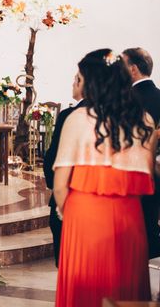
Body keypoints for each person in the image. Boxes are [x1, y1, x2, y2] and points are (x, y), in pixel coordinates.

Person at [54, 49, 157, 306]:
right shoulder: (143, 120)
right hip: (129, 216)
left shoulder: (78, 119)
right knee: (125, 285)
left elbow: (60, 185)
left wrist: (68, 212)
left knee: (85, 286)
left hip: (84, 215)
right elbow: (147, 172)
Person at [43, 71, 85, 267]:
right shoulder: (115, 115)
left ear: (83, 84)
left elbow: (53, 156)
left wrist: (53, 184)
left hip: (71, 195)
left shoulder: (70, 115)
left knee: (68, 262)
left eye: (75, 79)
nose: (72, 83)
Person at [122, 47, 160, 258]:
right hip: (156, 175)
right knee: (151, 227)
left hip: (129, 177)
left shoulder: (123, 100)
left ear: (133, 69)